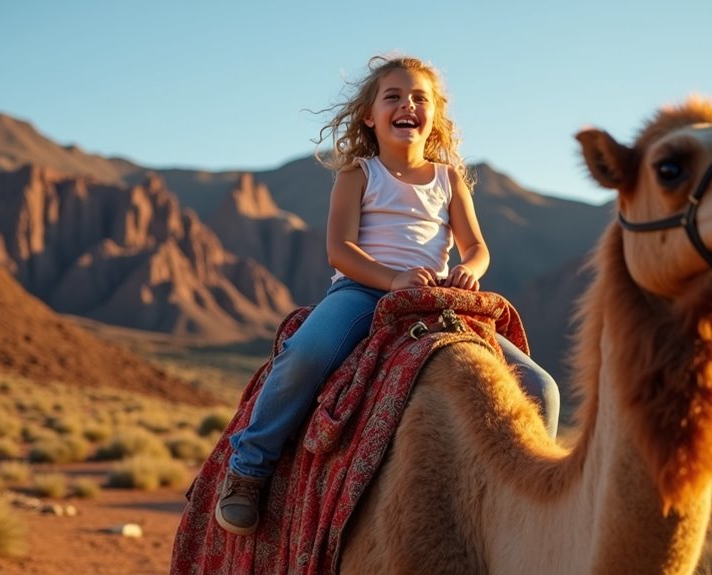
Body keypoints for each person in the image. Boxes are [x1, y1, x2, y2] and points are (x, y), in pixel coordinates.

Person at [215, 55, 560, 536]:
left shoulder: (448, 179)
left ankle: (529, 500)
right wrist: (392, 279)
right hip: (364, 290)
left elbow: (477, 248)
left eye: (420, 98)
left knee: (539, 387)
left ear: (434, 114)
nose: (407, 105)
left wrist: (468, 269)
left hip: (434, 299)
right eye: (393, 97)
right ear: (369, 115)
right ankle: (248, 469)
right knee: (307, 353)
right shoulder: (358, 174)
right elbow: (340, 251)